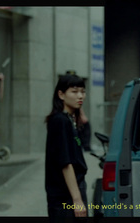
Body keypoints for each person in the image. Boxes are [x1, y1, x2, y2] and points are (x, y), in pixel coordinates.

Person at [45, 74, 88, 222]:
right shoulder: (60, 121)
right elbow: (65, 163)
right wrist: (77, 200)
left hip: (72, 190)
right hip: (66, 196)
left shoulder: (69, 120)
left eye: (82, 91)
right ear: (61, 94)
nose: (80, 96)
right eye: (74, 92)